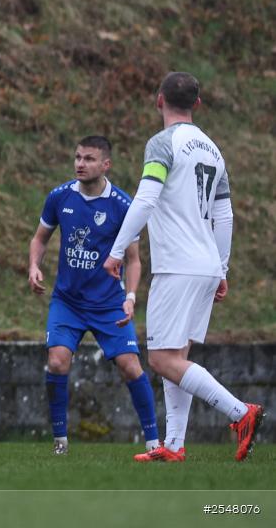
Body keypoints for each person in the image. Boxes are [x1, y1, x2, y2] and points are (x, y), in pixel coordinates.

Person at [104, 72, 264, 462]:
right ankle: (174, 446)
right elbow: (224, 215)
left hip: (177, 266)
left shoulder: (162, 143)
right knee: (176, 355)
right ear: (198, 104)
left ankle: (241, 413)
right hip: (206, 263)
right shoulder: (213, 150)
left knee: (161, 359)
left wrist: (116, 250)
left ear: (158, 100)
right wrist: (222, 267)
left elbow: (144, 200)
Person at [29, 136, 159, 456]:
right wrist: (34, 265)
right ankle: (60, 441)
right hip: (68, 301)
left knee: (130, 366)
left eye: (88, 159)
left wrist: (129, 296)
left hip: (108, 303)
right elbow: (40, 237)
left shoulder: (123, 205)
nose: (80, 164)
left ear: (105, 165)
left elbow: (134, 260)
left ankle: (154, 442)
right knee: (57, 361)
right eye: (77, 157)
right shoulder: (59, 197)